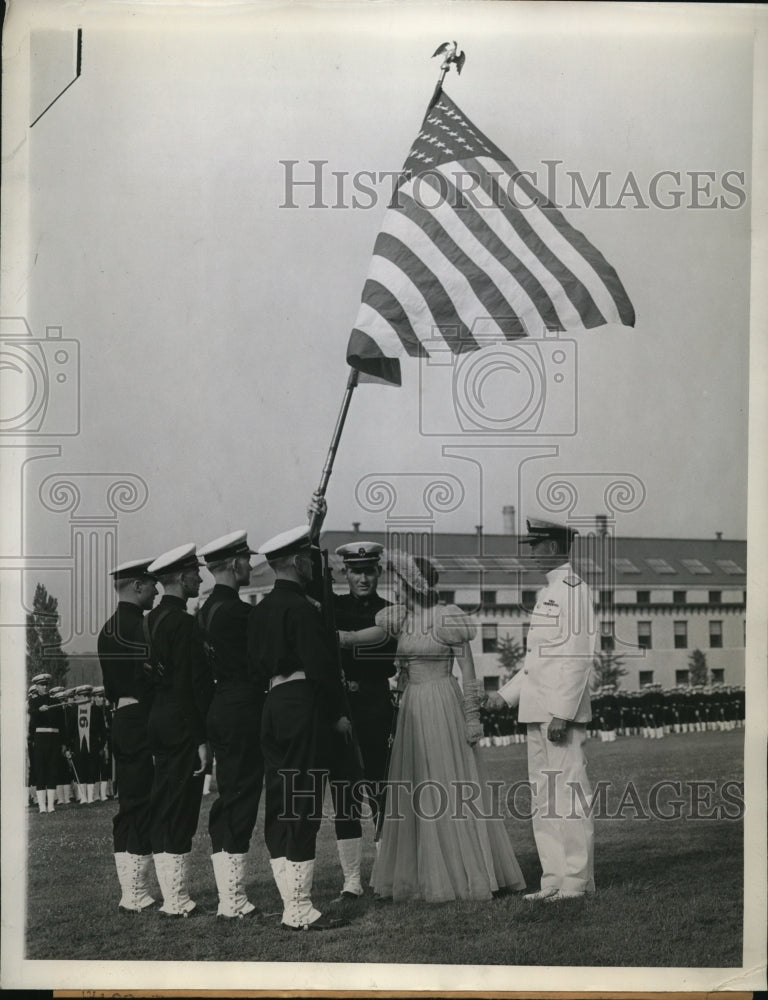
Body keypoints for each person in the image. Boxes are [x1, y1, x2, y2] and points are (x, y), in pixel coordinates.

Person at [338, 548, 526, 904]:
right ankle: (422, 874)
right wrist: (340, 637)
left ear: (413, 584)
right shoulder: (400, 619)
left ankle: (467, 873)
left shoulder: (447, 619)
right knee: (416, 786)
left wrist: (472, 718)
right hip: (411, 708)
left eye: (402, 584)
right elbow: (368, 635)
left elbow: (468, 672)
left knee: (448, 783)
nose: (398, 590)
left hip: (442, 702)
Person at [486, 517, 597, 903]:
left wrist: (563, 712)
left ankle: (576, 881)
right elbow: (537, 661)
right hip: (536, 709)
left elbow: (578, 657)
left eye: (535, 545)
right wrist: (505, 695)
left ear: (552, 546)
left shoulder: (574, 590)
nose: (530, 552)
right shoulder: (549, 592)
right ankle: (553, 878)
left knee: (568, 794)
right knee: (544, 797)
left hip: (557, 713)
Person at [247, 525, 349, 931]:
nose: (312, 565)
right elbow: (323, 670)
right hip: (302, 702)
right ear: (297, 562)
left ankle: (291, 901)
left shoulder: (259, 612)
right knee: (303, 800)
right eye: (308, 559)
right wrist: (337, 713)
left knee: (280, 800)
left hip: (271, 704)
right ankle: (300, 908)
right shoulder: (304, 610)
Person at [145, 544, 215, 918]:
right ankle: (176, 899)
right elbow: (192, 686)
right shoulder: (185, 624)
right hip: (182, 723)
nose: (199, 578)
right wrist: (202, 739)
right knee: (180, 808)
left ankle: (173, 896)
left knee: (165, 804)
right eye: (193, 573)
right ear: (178, 577)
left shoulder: (150, 620)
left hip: (158, 718)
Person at [197, 530, 264, 920]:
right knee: (241, 797)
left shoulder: (205, 611)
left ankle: (230, 895)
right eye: (247, 560)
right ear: (235, 563)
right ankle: (234, 900)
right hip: (243, 707)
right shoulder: (240, 613)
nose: (251, 566)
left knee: (228, 798)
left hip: (219, 707)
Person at [330, 540, 397, 900]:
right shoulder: (333, 608)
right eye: (356, 571)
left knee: (380, 789)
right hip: (343, 706)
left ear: (378, 572)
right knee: (344, 792)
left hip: (375, 704)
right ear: (345, 573)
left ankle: (384, 875)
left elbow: (382, 653)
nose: (363, 578)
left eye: (369, 571)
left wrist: (344, 643)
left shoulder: (390, 612)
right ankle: (351, 879)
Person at [98, 556, 159, 913]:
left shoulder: (107, 628)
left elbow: (109, 686)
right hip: (141, 716)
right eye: (151, 583)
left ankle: (130, 891)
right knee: (142, 802)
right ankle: (136, 894)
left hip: (120, 716)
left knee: (128, 804)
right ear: (137, 586)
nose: (156, 589)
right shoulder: (142, 627)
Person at [28, 673, 60, 813]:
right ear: (37, 686)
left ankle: (51, 805)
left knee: (53, 770)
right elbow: (32, 712)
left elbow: (62, 724)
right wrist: (39, 710)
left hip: (54, 738)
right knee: (40, 770)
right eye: (42, 685)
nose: (45, 687)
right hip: (40, 739)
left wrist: (63, 742)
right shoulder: (34, 702)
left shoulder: (55, 701)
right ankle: (42, 806)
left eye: (46, 684)